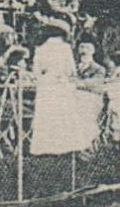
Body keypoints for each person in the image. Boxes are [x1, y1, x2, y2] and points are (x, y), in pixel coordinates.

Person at [29, 20, 98, 155]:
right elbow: (71, 70)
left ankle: (44, 147)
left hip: (46, 84)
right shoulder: (65, 48)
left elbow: (36, 71)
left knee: (46, 115)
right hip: (61, 83)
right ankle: (63, 146)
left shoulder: (40, 48)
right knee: (63, 115)